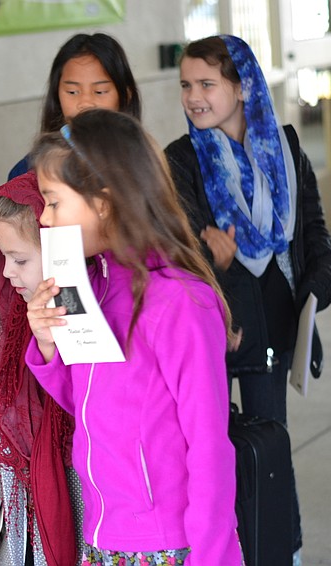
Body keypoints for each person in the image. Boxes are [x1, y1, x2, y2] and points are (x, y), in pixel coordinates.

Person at [25, 108, 243, 565]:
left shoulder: (180, 301)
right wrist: (48, 346)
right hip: (105, 537)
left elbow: (209, 446)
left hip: (168, 544)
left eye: (53, 201)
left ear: (102, 201)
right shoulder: (94, 287)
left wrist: (213, 555)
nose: (44, 219)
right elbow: (91, 406)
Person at [164, 35, 331, 565]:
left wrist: (317, 288)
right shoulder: (180, 158)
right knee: (209, 457)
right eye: (187, 85)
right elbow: (175, 241)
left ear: (242, 88)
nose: (194, 97)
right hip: (210, 333)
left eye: (207, 84)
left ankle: (284, 552)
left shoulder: (286, 147)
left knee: (270, 453)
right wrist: (201, 245)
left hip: (272, 330)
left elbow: (313, 234)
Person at [0, 174, 83, 565]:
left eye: (20, 259)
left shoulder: (89, 323)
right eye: (3, 258)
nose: (8, 272)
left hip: (84, 515)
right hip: (23, 517)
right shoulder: (16, 324)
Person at [8, 33, 141, 180]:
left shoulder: (143, 162)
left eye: (100, 91)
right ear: (56, 95)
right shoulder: (28, 172)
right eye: (72, 92)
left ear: (126, 96)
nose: (85, 103)